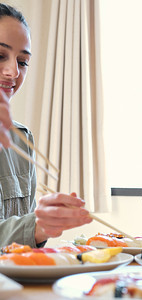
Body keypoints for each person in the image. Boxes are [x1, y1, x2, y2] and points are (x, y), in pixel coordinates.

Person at [0, 3, 92, 248]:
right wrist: (37, 225)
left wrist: (42, 225)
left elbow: (22, 250)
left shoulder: (20, 137)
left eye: (22, 62)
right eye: (0, 55)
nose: (13, 72)